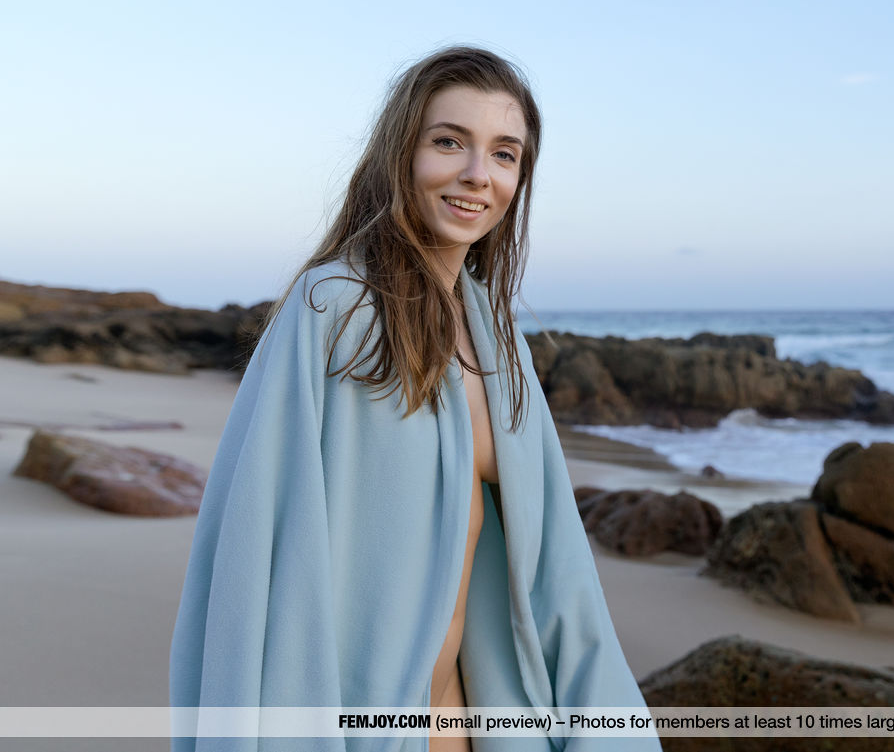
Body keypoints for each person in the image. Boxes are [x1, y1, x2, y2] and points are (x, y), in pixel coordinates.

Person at [169, 46, 662, 751]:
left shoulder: (496, 335)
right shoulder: (332, 311)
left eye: (504, 154)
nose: (475, 175)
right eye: (449, 142)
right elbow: (255, 546)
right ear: (401, 153)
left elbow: (559, 571)